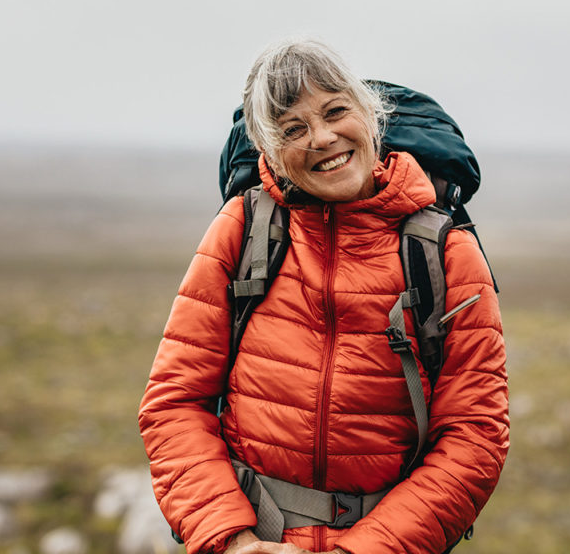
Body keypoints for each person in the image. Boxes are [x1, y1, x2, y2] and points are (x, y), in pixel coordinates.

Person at [139, 39, 509, 554]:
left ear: (371, 116)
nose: (323, 137)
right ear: (269, 152)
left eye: (336, 111)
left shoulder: (445, 251)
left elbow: (475, 436)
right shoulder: (244, 229)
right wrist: (232, 540)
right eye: (293, 130)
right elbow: (174, 403)